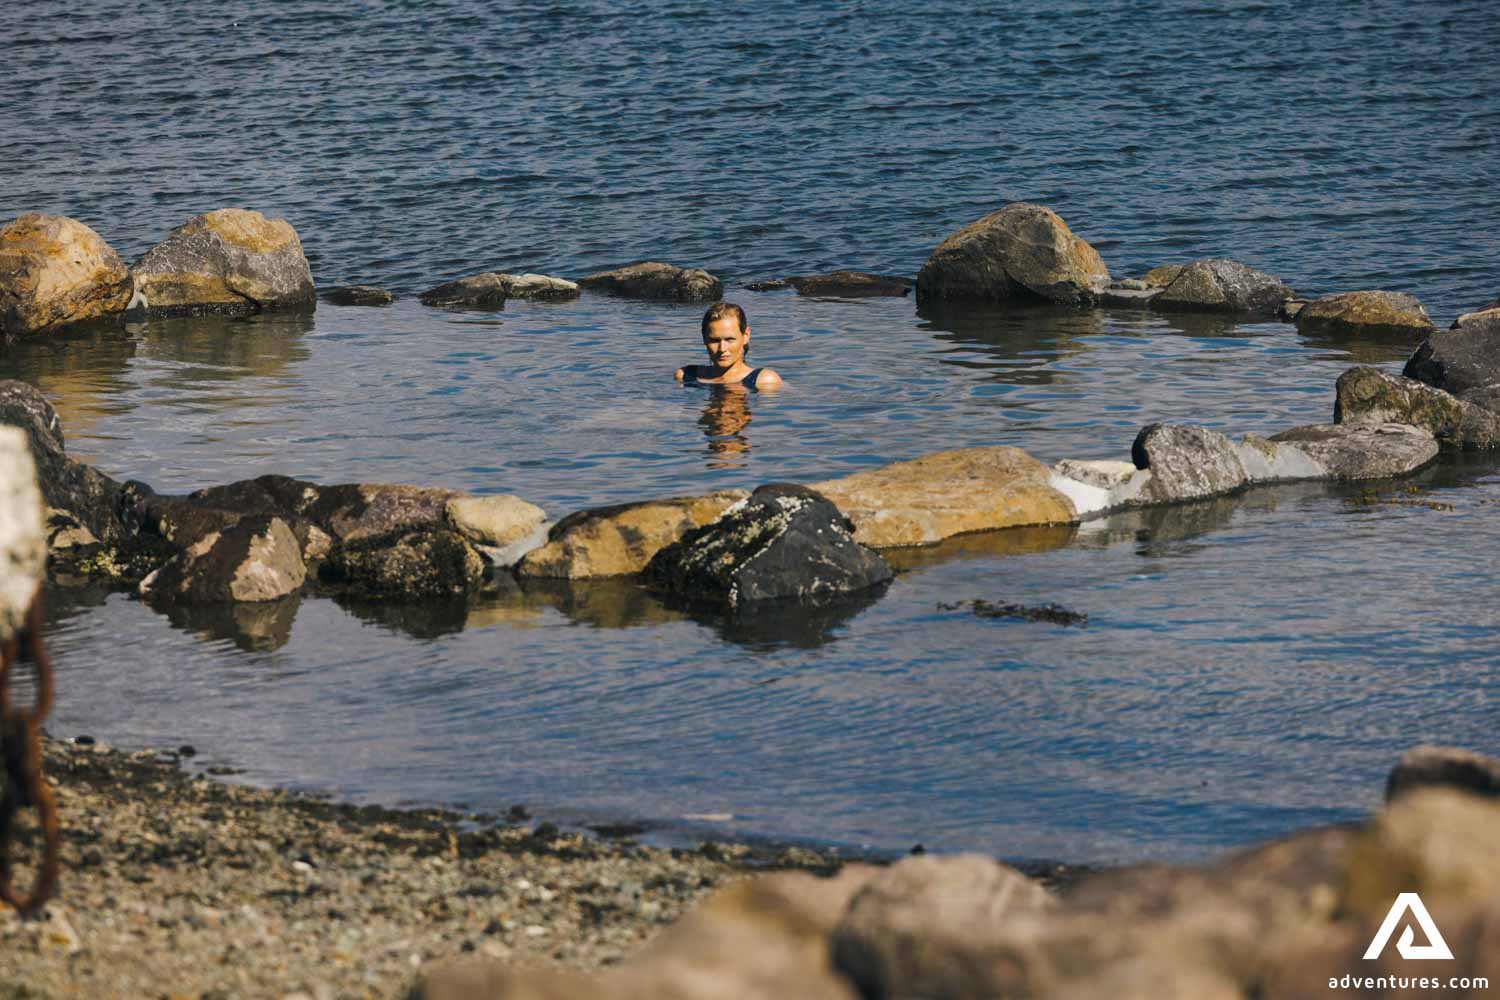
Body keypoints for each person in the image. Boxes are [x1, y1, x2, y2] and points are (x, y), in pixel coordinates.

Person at [675, 302, 783, 390]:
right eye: (714, 340)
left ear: (746, 336)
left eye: (729, 339)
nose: (722, 348)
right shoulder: (685, 376)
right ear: (704, 338)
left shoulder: (765, 380)